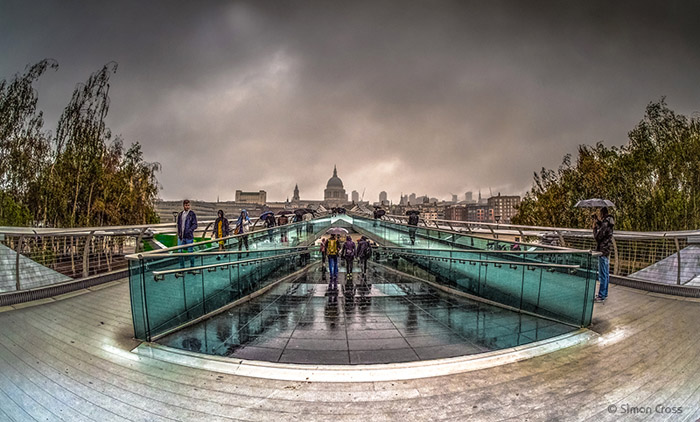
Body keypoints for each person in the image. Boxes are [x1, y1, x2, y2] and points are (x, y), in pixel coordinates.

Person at [593, 207, 615, 302]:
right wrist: (597, 221)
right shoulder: (609, 222)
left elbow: (598, 237)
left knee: (602, 274)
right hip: (607, 250)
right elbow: (603, 228)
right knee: (606, 274)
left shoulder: (605, 223)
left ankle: (601, 295)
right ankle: (604, 294)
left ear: (602, 214)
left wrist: (594, 228)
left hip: (602, 250)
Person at [176, 199, 198, 267]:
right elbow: (179, 224)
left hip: (189, 236)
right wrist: (179, 233)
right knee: (180, 252)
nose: (187, 207)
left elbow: (195, 225)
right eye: (186, 205)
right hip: (181, 236)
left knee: (190, 252)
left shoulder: (192, 214)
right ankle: (182, 267)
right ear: (183, 206)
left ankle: (192, 267)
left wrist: (189, 230)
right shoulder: (180, 214)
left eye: (188, 205)